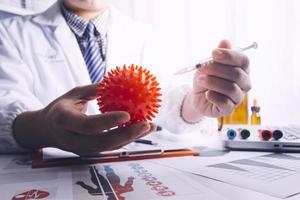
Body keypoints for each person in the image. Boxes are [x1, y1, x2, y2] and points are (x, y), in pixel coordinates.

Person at [0, 0, 251, 154]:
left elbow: (169, 102)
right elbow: (4, 104)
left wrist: (196, 105)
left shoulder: (147, 35)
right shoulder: (9, 32)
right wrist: (43, 127)